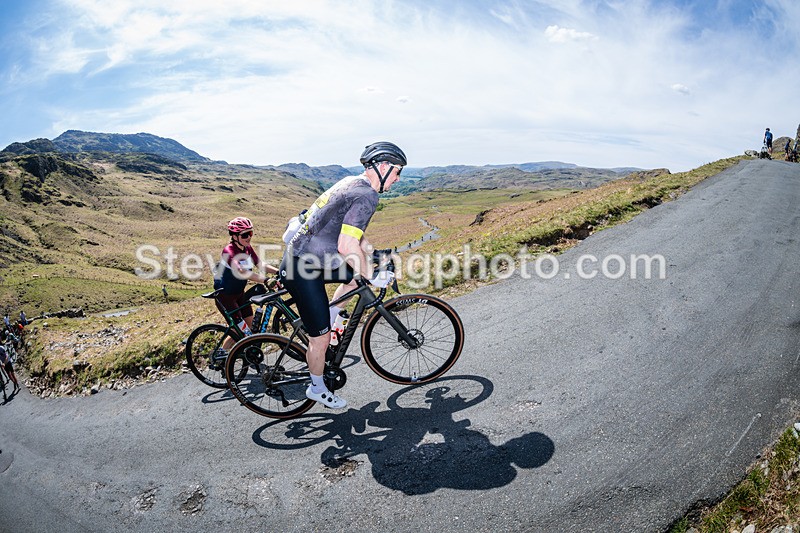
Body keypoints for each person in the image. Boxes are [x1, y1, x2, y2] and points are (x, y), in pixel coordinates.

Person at [279, 141, 405, 409]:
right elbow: (347, 246)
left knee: (353, 277)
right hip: (302, 268)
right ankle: (317, 386)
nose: (397, 179)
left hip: (310, 256)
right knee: (319, 338)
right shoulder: (367, 195)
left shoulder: (353, 182)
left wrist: (370, 255)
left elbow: (354, 234)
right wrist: (373, 275)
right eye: (397, 172)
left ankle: (332, 317)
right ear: (383, 166)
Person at [214, 217, 278, 346]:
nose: (249, 237)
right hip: (225, 297)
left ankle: (245, 354)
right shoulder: (229, 251)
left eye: (250, 233)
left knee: (249, 327)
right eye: (244, 235)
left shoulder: (247, 248)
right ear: (234, 236)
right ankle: (221, 358)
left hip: (239, 294)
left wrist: (278, 272)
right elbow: (241, 271)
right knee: (237, 331)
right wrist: (265, 279)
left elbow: (260, 264)